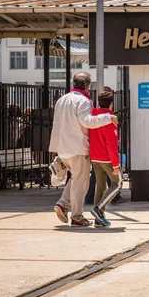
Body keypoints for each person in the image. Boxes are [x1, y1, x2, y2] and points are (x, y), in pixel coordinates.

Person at [50, 72, 118, 227]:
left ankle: (62, 204)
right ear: (87, 86)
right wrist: (108, 118)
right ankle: (77, 217)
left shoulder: (62, 99)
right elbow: (87, 121)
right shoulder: (83, 100)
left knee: (75, 179)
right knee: (81, 183)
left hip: (62, 147)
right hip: (78, 147)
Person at [89, 91, 121, 227]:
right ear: (111, 104)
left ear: (98, 102)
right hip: (106, 159)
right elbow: (112, 144)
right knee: (117, 184)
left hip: (95, 157)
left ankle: (98, 219)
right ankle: (99, 209)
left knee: (100, 186)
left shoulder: (92, 116)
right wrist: (116, 164)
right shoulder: (110, 119)